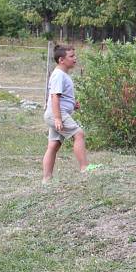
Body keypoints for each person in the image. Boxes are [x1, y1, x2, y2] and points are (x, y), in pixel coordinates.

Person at [42, 44, 90, 182]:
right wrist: (58, 118)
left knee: (53, 145)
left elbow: (61, 97)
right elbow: (54, 97)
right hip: (56, 114)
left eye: (75, 55)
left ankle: (46, 179)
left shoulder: (62, 75)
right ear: (61, 60)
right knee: (78, 134)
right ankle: (84, 168)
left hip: (57, 113)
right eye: (71, 56)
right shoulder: (58, 75)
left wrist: (72, 105)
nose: (75, 58)